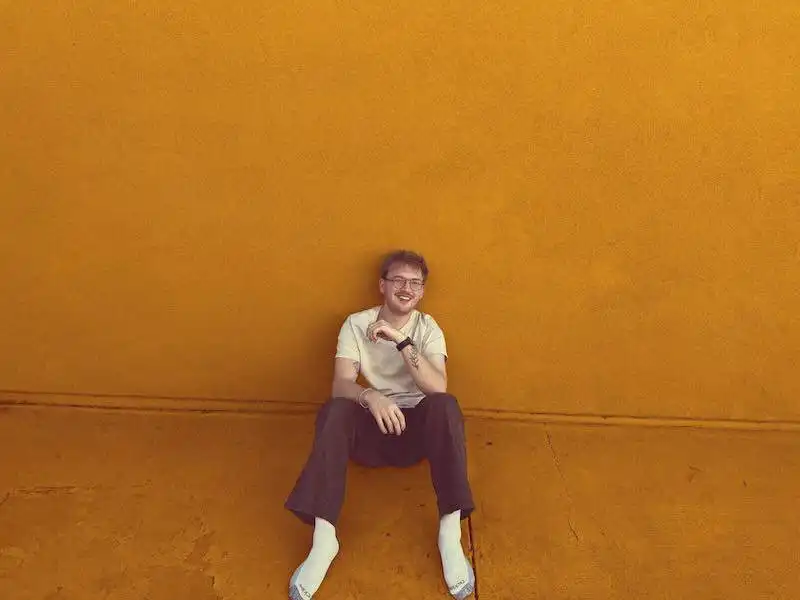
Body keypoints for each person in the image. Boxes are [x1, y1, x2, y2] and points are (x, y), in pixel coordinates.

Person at [285, 249, 475, 600]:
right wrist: (370, 397)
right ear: (382, 285)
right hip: (371, 431)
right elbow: (342, 384)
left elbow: (438, 386)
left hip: (415, 434)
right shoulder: (356, 324)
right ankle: (324, 539)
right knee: (335, 410)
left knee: (445, 406)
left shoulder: (428, 328)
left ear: (422, 291)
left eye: (415, 283)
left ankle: (450, 531)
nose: (406, 288)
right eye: (398, 280)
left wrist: (400, 340)